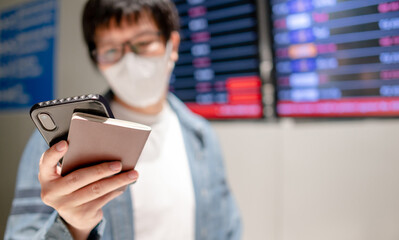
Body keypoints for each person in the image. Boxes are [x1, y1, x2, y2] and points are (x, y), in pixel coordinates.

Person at [4, 0, 241, 239]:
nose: (129, 60)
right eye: (111, 50)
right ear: (97, 58)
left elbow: (228, 230)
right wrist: (74, 227)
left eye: (144, 42)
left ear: (173, 44)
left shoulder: (201, 136)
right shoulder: (59, 143)